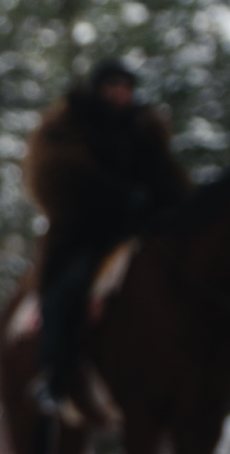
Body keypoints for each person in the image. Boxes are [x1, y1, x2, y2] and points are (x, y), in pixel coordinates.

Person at [24, 58, 192, 410]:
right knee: (66, 288)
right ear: (98, 89)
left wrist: (178, 204)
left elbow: (167, 175)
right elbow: (60, 172)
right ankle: (52, 373)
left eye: (126, 87)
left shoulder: (144, 130)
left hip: (141, 229)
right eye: (113, 86)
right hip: (85, 231)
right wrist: (118, 195)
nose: (120, 94)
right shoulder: (71, 123)